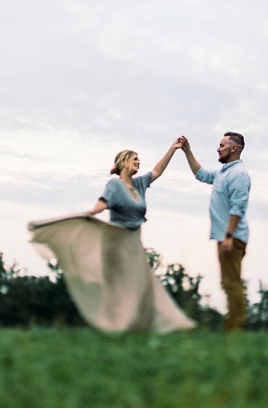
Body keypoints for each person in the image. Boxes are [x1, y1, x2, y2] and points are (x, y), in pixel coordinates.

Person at [28, 141, 194, 333]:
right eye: (135, 159)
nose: (139, 163)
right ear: (124, 162)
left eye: (139, 160)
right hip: (116, 242)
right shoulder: (114, 184)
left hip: (134, 243)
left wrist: (173, 149)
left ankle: (136, 327)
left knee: (141, 288)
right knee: (118, 288)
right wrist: (91, 212)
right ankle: (115, 327)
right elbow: (103, 202)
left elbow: (157, 170)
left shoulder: (139, 184)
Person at [178, 132, 251, 331]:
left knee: (232, 283)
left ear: (233, 148)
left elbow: (238, 207)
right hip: (225, 237)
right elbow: (200, 174)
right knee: (228, 282)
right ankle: (233, 326)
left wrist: (228, 236)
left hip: (232, 238)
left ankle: (236, 329)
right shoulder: (223, 172)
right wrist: (187, 151)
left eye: (221, 145)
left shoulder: (238, 175)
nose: (218, 149)